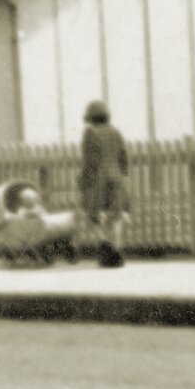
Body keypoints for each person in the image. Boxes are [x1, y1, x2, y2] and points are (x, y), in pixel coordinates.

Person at [77, 100, 130, 268]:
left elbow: (89, 162)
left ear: (90, 117)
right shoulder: (116, 132)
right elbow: (123, 157)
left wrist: (83, 181)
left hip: (98, 178)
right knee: (116, 215)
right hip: (117, 177)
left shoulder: (90, 133)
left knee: (92, 214)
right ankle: (118, 250)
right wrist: (121, 175)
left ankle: (105, 245)